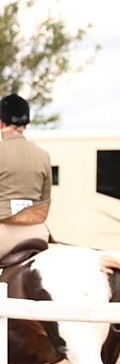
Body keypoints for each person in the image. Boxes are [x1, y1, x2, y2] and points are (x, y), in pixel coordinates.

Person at [0, 93, 52, 257]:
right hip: (37, 233)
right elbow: (45, 199)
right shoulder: (43, 155)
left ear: (1, 123)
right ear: (26, 125)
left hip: (4, 233)